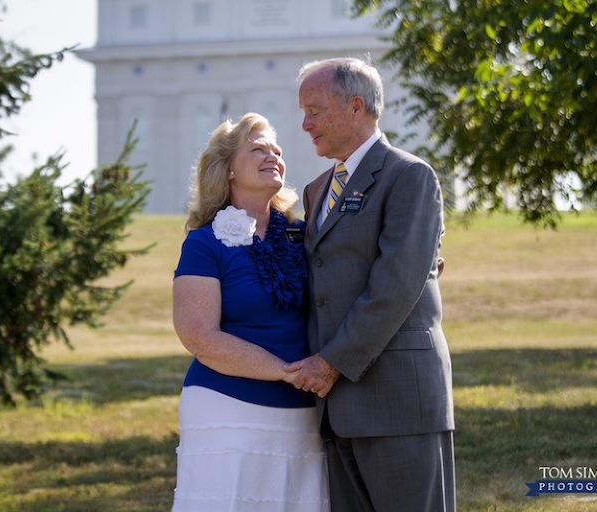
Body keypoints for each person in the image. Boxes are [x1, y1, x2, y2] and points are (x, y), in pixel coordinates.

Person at [285, 57, 456, 511]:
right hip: (336, 411)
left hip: (398, 400)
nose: (305, 124)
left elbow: (395, 285)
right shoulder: (317, 189)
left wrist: (331, 363)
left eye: (315, 111)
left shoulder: (409, 175)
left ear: (356, 106)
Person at [171, 112, 330, 511]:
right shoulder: (204, 244)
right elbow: (199, 337)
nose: (272, 155)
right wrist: (283, 370)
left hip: (304, 411)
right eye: (257, 148)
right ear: (227, 170)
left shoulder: (306, 235)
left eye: (276, 149)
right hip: (227, 410)